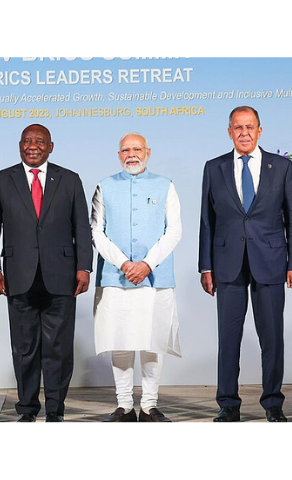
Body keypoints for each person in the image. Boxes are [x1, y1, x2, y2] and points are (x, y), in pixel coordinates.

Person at [198, 106, 292, 422]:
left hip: (271, 261)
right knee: (228, 338)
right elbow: (207, 221)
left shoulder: (281, 167)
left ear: (259, 130)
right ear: (229, 132)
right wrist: (206, 266)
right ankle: (228, 404)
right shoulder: (213, 167)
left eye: (249, 127)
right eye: (237, 128)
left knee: (271, 336)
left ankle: (273, 403)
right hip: (227, 263)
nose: (244, 133)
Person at [0, 124, 92, 422]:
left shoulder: (69, 180)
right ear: (19, 145)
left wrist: (84, 266)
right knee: (24, 348)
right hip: (18, 277)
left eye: (40, 142)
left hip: (63, 277)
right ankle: (27, 410)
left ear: (51, 146)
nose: (33, 146)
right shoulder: (1, 180)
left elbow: (82, 226)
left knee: (58, 350)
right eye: (27, 141)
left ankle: (55, 411)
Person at [91, 133, 182, 422]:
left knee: (152, 341)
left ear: (148, 152)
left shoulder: (165, 185)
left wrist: (147, 264)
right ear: (119, 154)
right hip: (116, 277)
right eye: (126, 150)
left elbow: (174, 231)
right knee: (120, 340)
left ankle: (150, 405)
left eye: (137, 149)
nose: (132, 154)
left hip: (155, 278)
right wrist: (124, 263)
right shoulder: (104, 186)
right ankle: (125, 405)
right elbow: (96, 231)